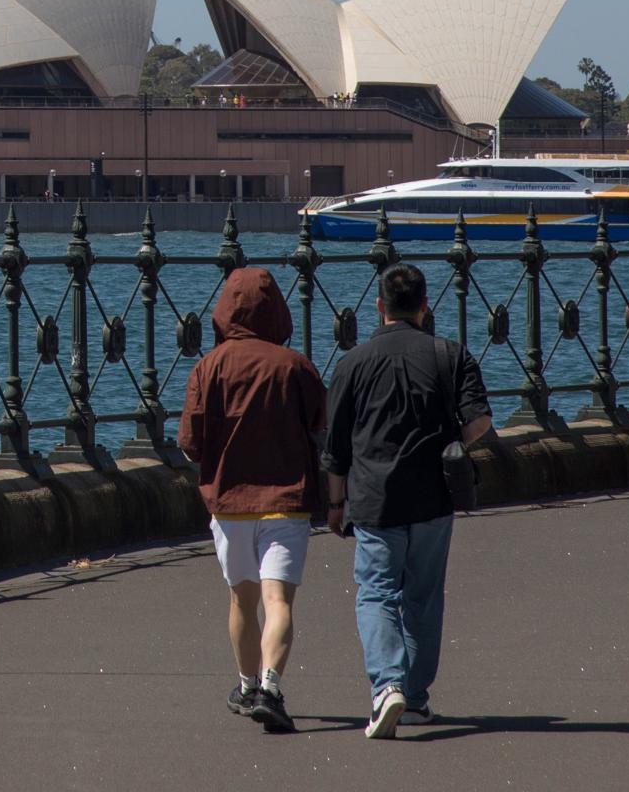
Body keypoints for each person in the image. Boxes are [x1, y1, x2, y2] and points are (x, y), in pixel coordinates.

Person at [323, 263, 492, 739]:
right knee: (423, 597)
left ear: (379, 307)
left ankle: (386, 686)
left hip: (375, 498)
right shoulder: (448, 354)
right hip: (434, 496)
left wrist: (336, 504)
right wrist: (448, 438)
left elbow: (335, 448)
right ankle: (415, 698)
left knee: (376, 591)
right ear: (425, 307)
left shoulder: (353, 362)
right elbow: (480, 423)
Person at [179, 267, 327, 734]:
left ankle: (245, 686)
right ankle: (272, 687)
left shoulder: (209, 365)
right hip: (287, 499)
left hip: (230, 502)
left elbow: (190, 441)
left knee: (242, 601)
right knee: (278, 600)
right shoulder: (294, 364)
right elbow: (319, 426)